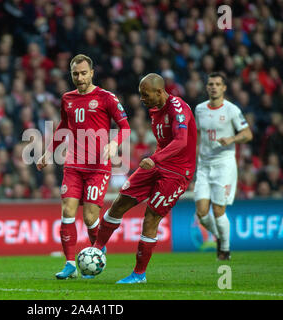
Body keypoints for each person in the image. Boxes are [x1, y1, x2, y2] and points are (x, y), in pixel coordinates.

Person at [93, 73, 197, 284]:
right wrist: (157, 159)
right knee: (119, 202)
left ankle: (139, 274)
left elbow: (181, 141)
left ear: (160, 91)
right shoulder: (154, 109)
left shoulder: (177, 108)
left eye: (145, 94)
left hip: (177, 172)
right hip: (158, 164)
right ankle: (97, 249)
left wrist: (155, 158)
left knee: (151, 217)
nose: (142, 99)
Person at [37, 54, 131, 279]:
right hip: (73, 165)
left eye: (83, 73)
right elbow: (63, 128)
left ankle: (97, 247)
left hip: (98, 168)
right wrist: (48, 153)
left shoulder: (106, 97)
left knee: (90, 217)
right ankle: (70, 264)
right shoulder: (67, 99)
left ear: (91, 73)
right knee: (67, 211)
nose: (79, 78)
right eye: (75, 74)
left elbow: (125, 127)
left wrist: (113, 144)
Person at [194, 72, 253, 260]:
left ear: (224, 88)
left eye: (217, 84)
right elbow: (196, 134)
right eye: (210, 83)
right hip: (204, 165)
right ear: (206, 87)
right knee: (202, 213)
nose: (213, 87)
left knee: (219, 210)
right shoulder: (200, 109)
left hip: (224, 164)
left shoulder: (232, 110)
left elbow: (248, 134)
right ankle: (220, 235)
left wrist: (232, 138)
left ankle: (225, 249)